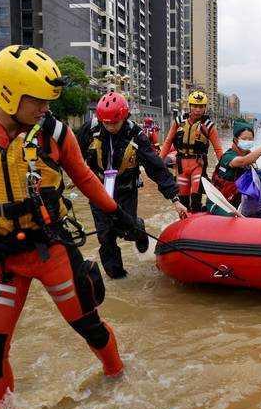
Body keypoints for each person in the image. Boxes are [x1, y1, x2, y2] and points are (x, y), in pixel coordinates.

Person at [0, 45, 138, 409]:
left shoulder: (55, 134)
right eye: (38, 101)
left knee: (89, 326)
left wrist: (120, 215)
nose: (46, 109)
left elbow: (86, 178)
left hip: (51, 250)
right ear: (9, 93)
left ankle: (118, 378)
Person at [78, 92, 188, 279]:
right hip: (98, 191)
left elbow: (156, 168)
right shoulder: (90, 130)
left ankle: (139, 230)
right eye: (107, 123)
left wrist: (175, 199)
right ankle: (118, 277)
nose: (110, 127)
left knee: (128, 230)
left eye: (115, 122)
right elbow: (72, 156)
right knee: (106, 237)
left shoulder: (136, 135)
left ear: (124, 117)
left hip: (125, 190)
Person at [160, 90, 224, 212]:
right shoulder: (179, 122)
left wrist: (224, 166)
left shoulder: (209, 126)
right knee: (183, 199)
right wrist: (158, 161)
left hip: (198, 165)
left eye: (201, 106)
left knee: (196, 198)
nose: (198, 109)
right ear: (189, 106)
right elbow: (168, 142)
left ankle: (196, 220)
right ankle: (184, 223)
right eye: (195, 106)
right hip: (181, 166)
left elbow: (218, 149)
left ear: (205, 108)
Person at [208, 121, 261, 213]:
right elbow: (243, 161)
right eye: (244, 139)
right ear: (236, 140)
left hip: (238, 202)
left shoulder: (250, 155)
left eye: (250, 139)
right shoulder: (228, 156)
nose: (248, 141)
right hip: (220, 203)